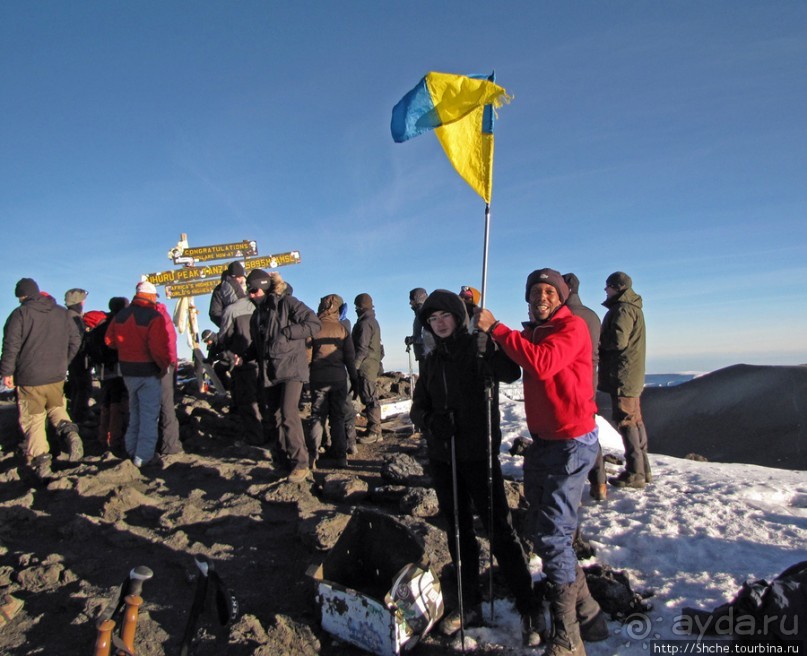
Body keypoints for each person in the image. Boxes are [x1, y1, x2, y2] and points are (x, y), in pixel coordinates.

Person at [477, 268, 608, 656]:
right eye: (536, 291)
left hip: (571, 444)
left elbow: (542, 364)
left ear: (563, 296)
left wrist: (497, 329)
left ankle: (569, 638)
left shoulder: (572, 328)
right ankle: (589, 614)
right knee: (549, 530)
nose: (542, 297)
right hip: (545, 443)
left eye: (550, 291)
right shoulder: (537, 330)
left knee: (552, 537)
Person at [410, 290, 544, 647]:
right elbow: (417, 406)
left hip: (478, 455)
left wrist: (491, 341)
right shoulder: (431, 358)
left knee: (498, 528)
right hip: (443, 456)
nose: (439, 324)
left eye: (445, 317)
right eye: (432, 319)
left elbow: (510, 373)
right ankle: (470, 604)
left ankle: (528, 605)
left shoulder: (477, 348)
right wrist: (430, 420)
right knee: (456, 530)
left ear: (458, 316)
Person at [0, 278, 83, 481]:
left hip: (29, 377)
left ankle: (42, 463)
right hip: (56, 375)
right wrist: (64, 362)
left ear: (22, 296)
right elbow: (76, 340)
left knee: (34, 419)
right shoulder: (62, 313)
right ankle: (70, 433)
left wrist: (7, 373)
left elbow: (10, 346)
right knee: (56, 407)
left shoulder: (20, 314)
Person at [246, 269, 320, 483]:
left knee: (288, 413)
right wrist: (245, 355)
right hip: (270, 371)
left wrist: (286, 333)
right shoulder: (257, 314)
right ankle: (282, 462)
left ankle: (301, 463)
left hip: (291, 369)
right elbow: (260, 344)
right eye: (248, 291)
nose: (251, 295)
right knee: (275, 417)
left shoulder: (287, 303)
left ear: (264, 287)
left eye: (254, 290)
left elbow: (313, 324)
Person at [105, 281, 172, 468]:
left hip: (127, 371)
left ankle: (131, 449)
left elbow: (109, 340)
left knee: (135, 412)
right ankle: (143, 457)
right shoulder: (154, 316)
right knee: (149, 415)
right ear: (151, 296)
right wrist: (162, 365)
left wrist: (127, 348)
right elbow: (158, 348)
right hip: (148, 371)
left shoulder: (121, 315)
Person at [598, 271, 650, 489]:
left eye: (608, 286)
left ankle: (634, 472)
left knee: (626, 420)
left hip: (623, 374)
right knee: (635, 419)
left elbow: (618, 340)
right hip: (631, 374)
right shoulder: (632, 307)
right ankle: (643, 469)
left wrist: (598, 342)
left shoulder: (623, 309)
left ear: (616, 287)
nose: (605, 290)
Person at [563, 273, 606, 502]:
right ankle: (599, 481)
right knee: (588, 426)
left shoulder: (564, 317)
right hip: (591, 375)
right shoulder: (592, 315)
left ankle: (573, 483)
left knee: (573, 430)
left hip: (571, 377)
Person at [307, 294, 359, 469]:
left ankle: (312, 455)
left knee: (317, 416)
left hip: (318, 378)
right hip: (339, 379)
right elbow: (350, 358)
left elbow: (307, 357)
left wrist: (306, 378)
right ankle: (340, 457)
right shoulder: (342, 329)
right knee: (338, 417)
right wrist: (354, 379)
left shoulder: (314, 327)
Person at [85, 297, 130, 453]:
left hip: (103, 372)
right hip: (121, 370)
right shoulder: (122, 325)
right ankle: (116, 440)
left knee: (106, 404)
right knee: (119, 404)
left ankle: (104, 437)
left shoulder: (99, 327)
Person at [218, 291, 262, 446]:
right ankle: (269, 434)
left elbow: (223, 336)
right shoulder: (263, 306)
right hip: (264, 360)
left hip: (242, 360)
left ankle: (254, 437)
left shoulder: (231, 310)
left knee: (247, 399)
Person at [352, 293, 383, 444]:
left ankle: (375, 432)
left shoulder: (364, 323)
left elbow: (362, 348)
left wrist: (354, 367)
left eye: (356, 307)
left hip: (366, 367)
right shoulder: (373, 321)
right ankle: (374, 430)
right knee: (370, 398)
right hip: (371, 364)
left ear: (359, 307)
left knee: (370, 398)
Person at [156, 300, 182, 456]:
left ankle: (141, 448)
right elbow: (170, 342)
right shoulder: (161, 315)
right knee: (166, 405)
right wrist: (172, 364)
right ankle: (169, 446)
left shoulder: (129, 314)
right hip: (163, 365)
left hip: (133, 368)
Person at [64, 288, 92, 423]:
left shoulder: (66, 315)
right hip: (78, 359)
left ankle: (77, 415)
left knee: (77, 387)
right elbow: (77, 341)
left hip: (74, 359)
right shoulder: (74, 318)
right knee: (82, 388)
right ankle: (80, 420)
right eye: (83, 300)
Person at [209, 261, 247, 328]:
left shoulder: (249, 284)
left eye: (241, 277)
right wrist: (228, 325)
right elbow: (215, 313)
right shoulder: (219, 290)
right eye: (237, 277)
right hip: (234, 326)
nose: (239, 280)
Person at [404, 288, 431, 375]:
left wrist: (413, 339)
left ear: (417, 299)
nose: (410, 303)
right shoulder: (423, 312)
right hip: (425, 355)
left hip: (427, 355)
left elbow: (429, 336)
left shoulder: (423, 313)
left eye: (411, 300)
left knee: (428, 384)